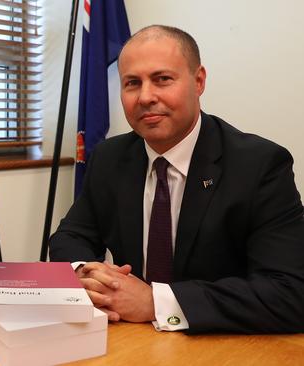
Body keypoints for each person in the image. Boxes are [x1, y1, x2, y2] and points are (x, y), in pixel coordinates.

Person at [50, 25, 304, 334]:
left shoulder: (260, 165)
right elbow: (70, 237)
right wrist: (86, 274)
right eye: (132, 83)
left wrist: (156, 302)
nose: (145, 97)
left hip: (221, 346)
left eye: (162, 79)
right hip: (132, 340)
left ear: (198, 81)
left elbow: (290, 293)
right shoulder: (109, 157)